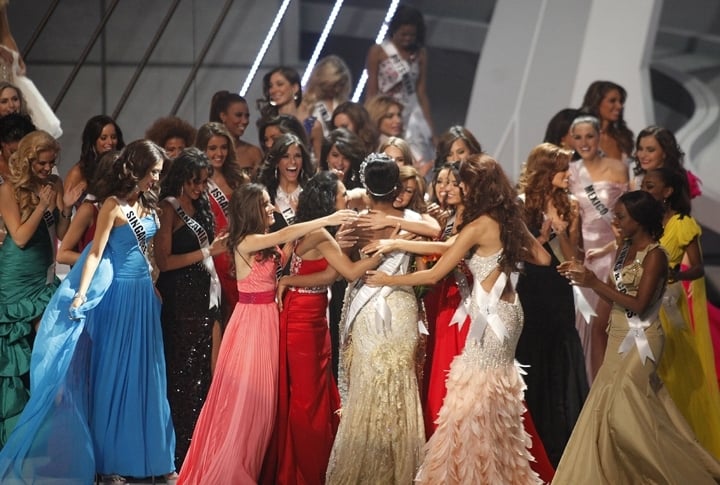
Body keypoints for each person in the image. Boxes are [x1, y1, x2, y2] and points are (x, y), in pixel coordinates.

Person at [364, 154, 551, 484]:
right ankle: (496, 468)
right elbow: (543, 257)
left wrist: (388, 280)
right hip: (510, 314)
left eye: (464, 180)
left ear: (476, 185)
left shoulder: (478, 225)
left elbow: (434, 274)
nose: (460, 186)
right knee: (494, 392)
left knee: (471, 397)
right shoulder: (508, 220)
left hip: (489, 319)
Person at [0, 140, 176, 483]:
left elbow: (150, 251)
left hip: (142, 296)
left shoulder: (149, 203)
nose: (156, 179)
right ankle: (110, 462)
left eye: (158, 173)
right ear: (137, 170)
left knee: (147, 375)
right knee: (114, 375)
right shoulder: (112, 204)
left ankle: (154, 459)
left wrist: (152, 279)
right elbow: (95, 253)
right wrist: (80, 294)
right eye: (153, 172)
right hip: (118, 296)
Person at [177, 183, 355, 485]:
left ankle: (252, 466)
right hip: (251, 327)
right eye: (265, 204)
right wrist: (327, 219)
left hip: (270, 322)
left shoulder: (264, 244)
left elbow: (290, 254)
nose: (272, 208)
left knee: (265, 406)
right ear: (252, 210)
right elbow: (288, 235)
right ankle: (231, 471)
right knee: (248, 404)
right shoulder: (248, 240)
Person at [554, 190, 720, 483]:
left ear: (640, 220)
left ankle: (673, 474)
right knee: (611, 410)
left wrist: (592, 282)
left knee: (623, 408)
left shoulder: (655, 255)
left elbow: (639, 304)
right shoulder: (623, 248)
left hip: (643, 339)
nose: (614, 221)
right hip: (618, 336)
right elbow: (611, 287)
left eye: (621, 216)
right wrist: (579, 267)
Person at [266, 171, 383, 485]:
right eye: (342, 195)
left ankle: (302, 466)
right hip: (303, 320)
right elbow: (346, 273)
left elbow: (327, 274)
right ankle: (312, 469)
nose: (346, 200)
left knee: (314, 393)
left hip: (310, 315)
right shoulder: (320, 234)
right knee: (308, 398)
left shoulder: (312, 230)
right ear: (329, 202)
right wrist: (387, 252)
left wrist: (289, 280)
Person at [326, 153, 426, 484]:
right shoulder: (411, 217)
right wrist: (399, 232)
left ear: (365, 186)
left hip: (368, 307)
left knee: (369, 382)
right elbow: (435, 228)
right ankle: (400, 472)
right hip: (399, 306)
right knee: (398, 382)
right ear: (396, 186)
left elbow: (345, 270)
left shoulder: (355, 222)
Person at [516, 143, 588, 466]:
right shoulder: (520, 206)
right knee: (532, 351)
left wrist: (560, 235)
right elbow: (514, 252)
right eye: (562, 168)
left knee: (559, 353)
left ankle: (560, 443)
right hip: (529, 286)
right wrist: (540, 241)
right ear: (545, 171)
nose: (568, 174)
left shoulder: (571, 206)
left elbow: (573, 259)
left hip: (558, 288)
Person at [155, 148, 227, 470]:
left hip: (204, 299)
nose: (200, 188)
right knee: (180, 374)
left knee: (202, 373)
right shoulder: (168, 208)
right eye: (195, 182)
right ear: (182, 178)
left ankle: (202, 448)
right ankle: (180, 452)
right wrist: (206, 252)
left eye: (203, 182)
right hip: (178, 303)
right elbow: (164, 262)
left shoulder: (201, 208)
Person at [641, 167, 720, 459]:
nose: (644, 189)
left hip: (668, 310)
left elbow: (697, 267)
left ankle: (684, 450)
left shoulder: (682, 224)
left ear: (668, 191)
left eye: (651, 185)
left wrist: (676, 275)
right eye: (643, 185)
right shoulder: (644, 223)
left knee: (673, 376)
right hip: (642, 308)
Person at [0, 130, 68, 446]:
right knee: (17, 347)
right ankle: (16, 431)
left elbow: (62, 234)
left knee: (47, 344)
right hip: (16, 275)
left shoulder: (54, 183)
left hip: (43, 275)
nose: (48, 168)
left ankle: (42, 425)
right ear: (29, 160)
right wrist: (41, 205)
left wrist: (65, 208)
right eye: (42, 163)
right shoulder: (8, 190)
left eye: (52, 162)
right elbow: (20, 237)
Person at [568, 115, 628, 383]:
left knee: (606, 325)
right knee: (584, 323)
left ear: (598, 136)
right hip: (584, 257)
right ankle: (587, 389)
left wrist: (613, 245)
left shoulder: (618, 167)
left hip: (612, 253)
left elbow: (628, 214)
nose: (584, 142)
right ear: (571, 139)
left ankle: (607, 385)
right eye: (578, 137)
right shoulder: (570, 172)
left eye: (589, 136)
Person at [195, 122, 249, 369]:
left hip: (239, 255)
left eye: (223, 147)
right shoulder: (196, 183)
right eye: (212, 148)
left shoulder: (239, 179)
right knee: (220, 317)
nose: (219, 153)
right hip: (211, 258)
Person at [366, 4, 434, 168]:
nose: (408, 38)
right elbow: (371, 90)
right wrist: (368, 119)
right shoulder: (378, 51)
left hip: (411, 115)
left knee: (415, 157)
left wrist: (431, 129)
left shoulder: (420, 54)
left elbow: (421, 93)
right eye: (404, 34)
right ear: (394, 29)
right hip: (385, 113)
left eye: (412, 34)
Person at [258, 67, 323, 160]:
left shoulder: (312, 125)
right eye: (271, 86)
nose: (273, 90)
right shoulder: (268, 123)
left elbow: (320, 164)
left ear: (295, 88)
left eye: (279, 84)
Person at [64, 115, 125, 208]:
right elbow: (64, 208)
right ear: (93, 142)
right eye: (103, 138)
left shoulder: (124, 167)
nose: (110, 142)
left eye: (113, 137)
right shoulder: (78, 172)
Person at [257, 133, 315, 229]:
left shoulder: (313, 191)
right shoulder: (264, 194)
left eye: (297, 156)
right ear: (276, 161)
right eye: (285, 156)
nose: (292, 161)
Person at [630, 125, 702, 198]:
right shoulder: (636, 180)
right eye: (640, 149)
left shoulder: (678, 183)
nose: (642, 155)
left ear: (665, 153)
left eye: (650, 150)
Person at [209, 90, 263, 177]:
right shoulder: (206, 151)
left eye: (247, 116)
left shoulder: (253, 152)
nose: (245, 121)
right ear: (223, 116)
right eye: (238, 115)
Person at [580, 81, 634, 162]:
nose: (619, 106)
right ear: (596, 102)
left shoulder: (623, 139)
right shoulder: (580, 136)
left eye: (621, 102)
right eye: (612, 101)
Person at [301, 55, 352, 137]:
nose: (337, 89)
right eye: (334, 85)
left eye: (341, 84)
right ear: (322, 81)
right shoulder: (306, 103)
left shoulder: (345, 105)